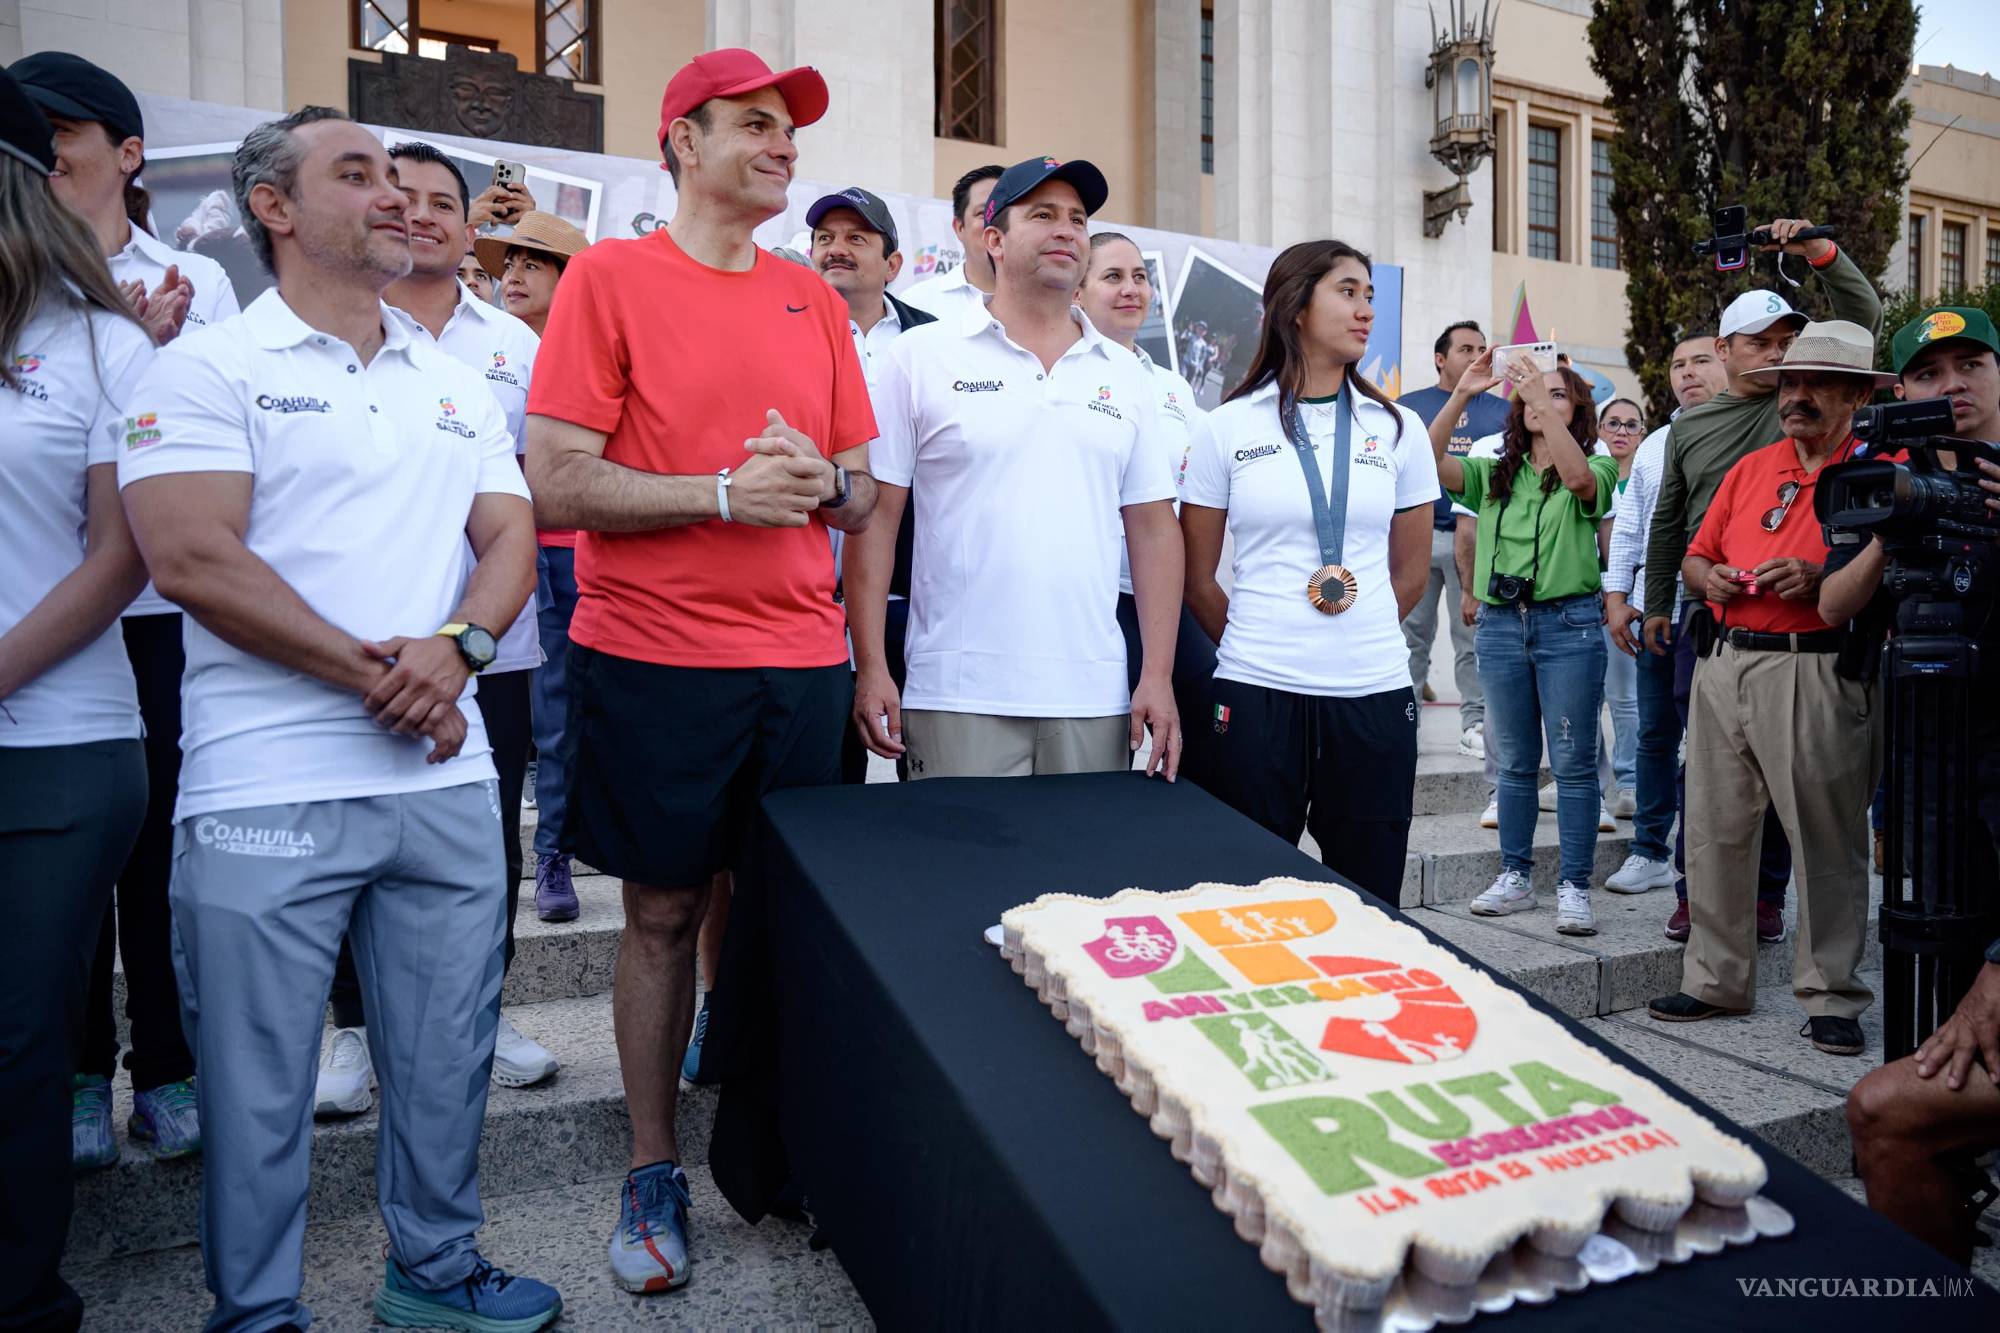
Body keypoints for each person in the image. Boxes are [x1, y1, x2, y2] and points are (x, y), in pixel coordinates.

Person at [116, 106, 558, 1330]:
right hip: (265, 787)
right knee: (258, 1085)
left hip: (443, 780)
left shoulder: (456, 381)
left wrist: (460, 649)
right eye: (358, 175)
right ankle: (257, 1310)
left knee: (445, 1058)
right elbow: (193, 558)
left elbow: (509, 536)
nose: (396, 198)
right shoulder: (204, 367)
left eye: (402, 180)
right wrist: (391, 680)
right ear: (273, 206)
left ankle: (436, 1271)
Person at [524, 49, 878, 1296]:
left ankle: (782, 1148)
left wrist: (820, 480)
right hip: (654, 656)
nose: (784, 147)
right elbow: (556, 480)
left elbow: (860, 492)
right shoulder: (608, 278)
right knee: (664, 912)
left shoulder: (810, 299)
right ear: (682, 140)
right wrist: (720, 494)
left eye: (790, 130)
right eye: (756, 125)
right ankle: (651, 1164)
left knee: (789, 923)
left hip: (802, 662)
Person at [11, 49, 235, 1171]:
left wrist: (153, 361)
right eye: (34, 135)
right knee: (60, 893)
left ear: (127, 152)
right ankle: (81, 1070)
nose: (48, 152)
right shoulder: (26, 292)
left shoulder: (196, 278)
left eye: (65, 132)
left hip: (153, 611)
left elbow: (218, 436)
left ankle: (169, 1060)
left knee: (150, 847)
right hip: (45, 605)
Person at [311, 146, 563, 1123]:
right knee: (353, 835)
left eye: (440, 203)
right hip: (357, 640)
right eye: (399, 196)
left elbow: (537, 490)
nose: (418, 215)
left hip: (490, 642)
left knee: (486, 846)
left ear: (470, 228)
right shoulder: (324, 329)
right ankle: (353, 1026)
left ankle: (479, 1017)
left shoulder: (515, 345)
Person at [847, 156, 1182, 782]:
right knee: (959, 852)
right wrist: (871, 667)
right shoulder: (921, 355)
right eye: (1043, 215)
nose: (1066, 230)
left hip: (1092, 695)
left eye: (1078, 219)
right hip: (957, 692)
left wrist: (1157, 677)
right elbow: (877, 519)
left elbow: (1154, 529)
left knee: (1082, 854)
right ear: (993, 239)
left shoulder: (1126, 374)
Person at [0, 70, 152, 1332]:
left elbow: (121, 557)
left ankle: (20, 1297)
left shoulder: (106, 341)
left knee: (13, 1040)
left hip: (56, 744)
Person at [1643, 321, 1891, 1056]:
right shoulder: (1752, 466)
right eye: (1788, 383)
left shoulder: (1878, 468)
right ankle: (1715, 978)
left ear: (1855, 396)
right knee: (1713, 831)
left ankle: (1833, 995)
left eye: (1817, 384)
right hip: (1723, 660)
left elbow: (1886, 572)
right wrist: (1709, 578)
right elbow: (1695, 557)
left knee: (1826, 839)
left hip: (1815, 665)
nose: (1796, 396)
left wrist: (1821, 578)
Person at [1180, 240, 1435, 897]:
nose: (1366, 310)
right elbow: (1196, 576)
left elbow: (1410, 572)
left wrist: (1358, 633)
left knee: (1370, 898)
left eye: (1370, 295)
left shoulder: (1400, 429)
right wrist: (1257, 642)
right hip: (1256, 691)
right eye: (1347, 292)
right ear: (1295, 306)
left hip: (1374, 692)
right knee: (1246, 896)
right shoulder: (1226, 427)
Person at [1844, 320, 2000, 1256]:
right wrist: (1896, 515)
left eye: (1971, 364)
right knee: (1936, 988)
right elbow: (1839, 607)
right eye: (1928, 372)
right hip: (1937, 795)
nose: (1954, 384)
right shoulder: (1898, 482)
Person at [1433, 356, 1619, 936]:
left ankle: (1573, 887)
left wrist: (1538, 395)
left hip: (1570, 625)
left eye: (1558, 394)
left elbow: (1580, 483)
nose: (1541, 399)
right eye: (1535, 393)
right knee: (1513, 764)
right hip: (1501, 626)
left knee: (1573, 765)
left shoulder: (1598, 461)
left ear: (1578, 411)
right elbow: (1430, 460)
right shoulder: (1494, 469)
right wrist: (1461, 395)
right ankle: (1514, 877)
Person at [473, 210, 594, 926]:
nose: (512, 276)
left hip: (594, 550)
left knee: (582, 710)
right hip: (519, 549)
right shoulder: (488, 348)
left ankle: (569, 842)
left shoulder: (599, 349)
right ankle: (549, 854)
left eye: (532, 264)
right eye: (507, 265)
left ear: (569, 279)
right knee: (540, 715)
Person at [805, 185, 937, 784]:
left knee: (927, 778)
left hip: (907, 594)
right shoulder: (784, 332)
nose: (836, 249)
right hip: (809, 592)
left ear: (893, 264)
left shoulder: (933, 343)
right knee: (827, 780)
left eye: (856, 238)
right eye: (825, 238)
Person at [1075, 229, 1218, 781]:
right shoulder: (1065, 372)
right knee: (1100, 751)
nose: (1131, 289)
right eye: (1112, 277)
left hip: (1159, 595)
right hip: (1091, 596)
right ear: (1077, 292)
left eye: (1140, 277)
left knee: (1207, 719)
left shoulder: (1174, 388)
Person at [1601, 334, 1727, 899]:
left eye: (1701, 361)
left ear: (1727, 362)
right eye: (1677, 365)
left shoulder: (1748, 432)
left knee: (1715, 744)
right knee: (1655, 735)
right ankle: (1649, 850)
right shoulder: (1655, 443)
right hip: (1659, 613)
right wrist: (1616, 595)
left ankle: (1707, 862)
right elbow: (1631, 526)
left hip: (1720, 615)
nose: (1687, 373)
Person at [1399, 319, 1507, 758]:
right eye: (1466, 349)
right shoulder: (1408, 407)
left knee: (1473, 638)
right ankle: (1404, 723)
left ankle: (1475, 725)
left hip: (1478, 539)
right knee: (1410, 638)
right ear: (1440, 359)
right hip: (1418, 535)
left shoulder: (1504, 410)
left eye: (1482, 349)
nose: (1477, 356)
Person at [1596, 395, 1647, 815]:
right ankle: (1588, 780)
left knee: (1624, 695)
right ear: (1599, 430)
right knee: (1585, 697)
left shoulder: (1647, 478)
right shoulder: (1589, 475)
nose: (1621, 432)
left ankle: (1629, 781)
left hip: (1630, 598)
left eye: (1631, 425)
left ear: (1642, 434)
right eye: (1613, 423)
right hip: (1585, 596)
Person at [897, 162, 1003, 326]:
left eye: (1005, 211)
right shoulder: (917, 303)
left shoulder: (1044, 300)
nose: (997, 223)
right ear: (959, 228)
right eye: (983, 213)